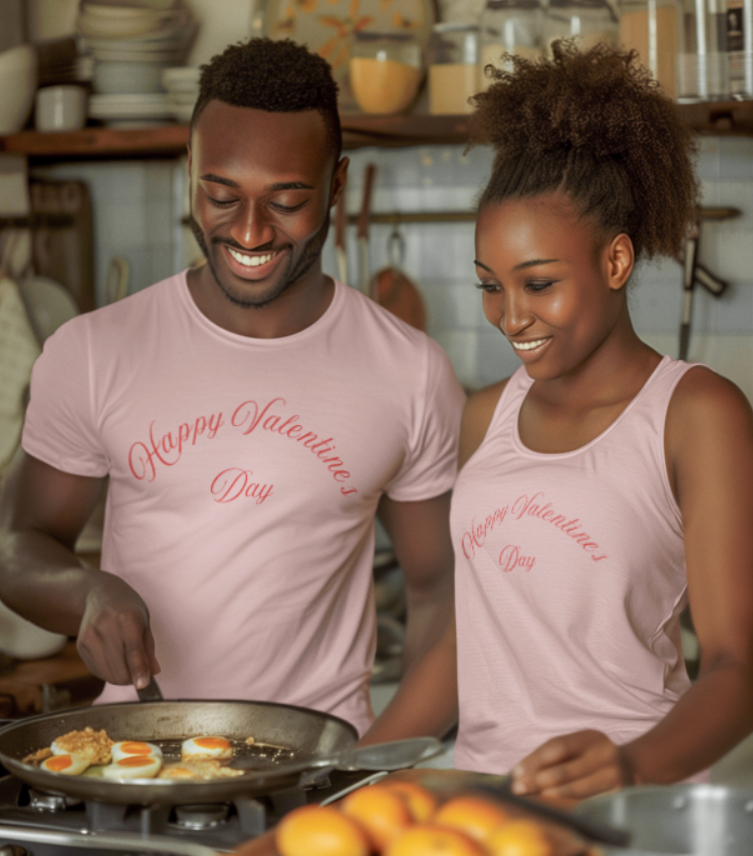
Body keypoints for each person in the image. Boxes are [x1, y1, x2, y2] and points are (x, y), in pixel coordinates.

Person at [0, 38, 465, 738]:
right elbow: (17, 542)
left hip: (319, 771)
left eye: (286, 200)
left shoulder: (409, 370)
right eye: (220, 195)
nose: (248, 231)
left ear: (337, 186)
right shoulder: (96, 351)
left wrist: (383, 764)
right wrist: (86, 593)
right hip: (138, 763)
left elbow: (443, 588)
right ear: (189, 174)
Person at [365, 41, 753, 794]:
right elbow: (468, 642)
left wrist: (631, 763)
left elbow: (738, 667)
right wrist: (342, 775)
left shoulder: (695, 413)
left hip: (636, 813)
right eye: (489, 286)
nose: (510, 318)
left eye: (537, 283)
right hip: (485, 811)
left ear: (613, 262)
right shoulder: (485, 416)